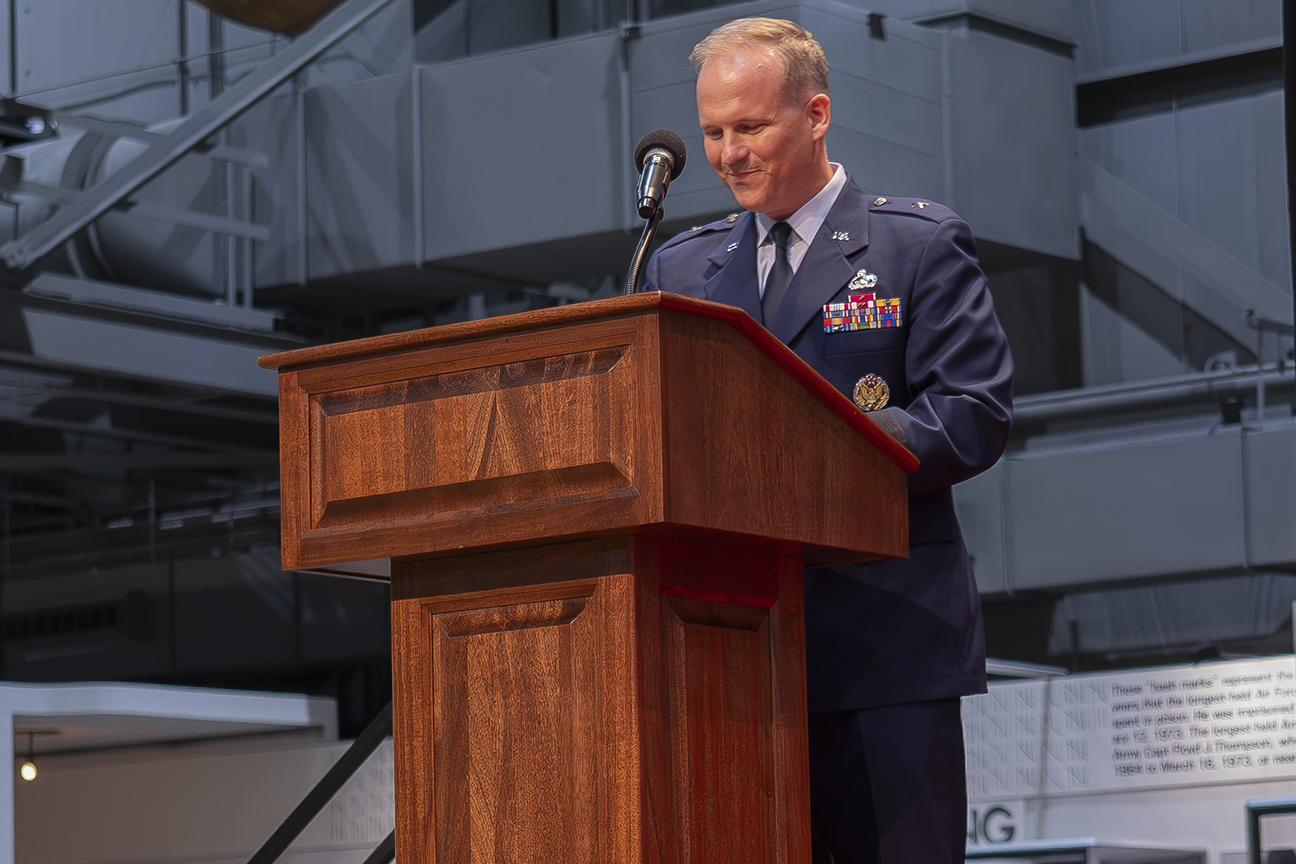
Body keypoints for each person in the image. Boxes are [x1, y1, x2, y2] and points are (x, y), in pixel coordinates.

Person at [642, 17, 1014, 864]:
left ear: (815, 114)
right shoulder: (679, 271)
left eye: (750, 127)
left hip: (885, 650)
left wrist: (815, 451)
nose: (729, 152)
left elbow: (973, 412)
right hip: (726, 657)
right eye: (712, 133)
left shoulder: (916, 246)